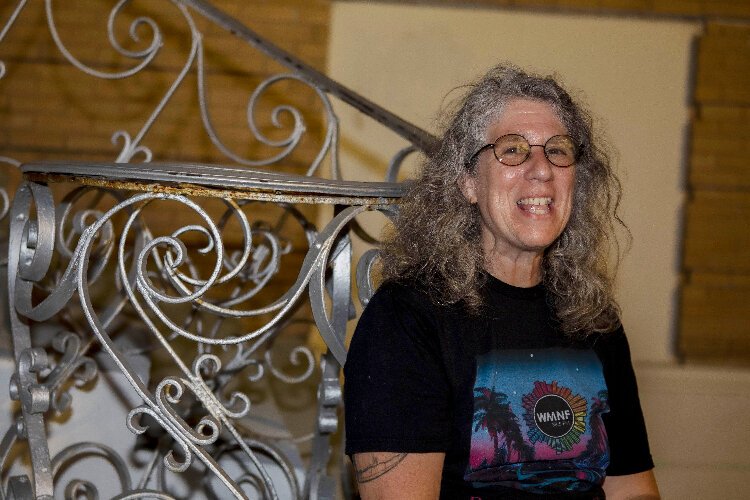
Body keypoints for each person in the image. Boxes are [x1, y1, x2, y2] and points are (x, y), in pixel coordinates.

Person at [343, 64, 659, 499]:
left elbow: (633, 490)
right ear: (468, 181)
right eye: (512, 150)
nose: (542, 169)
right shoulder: (405, 319)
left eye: (558, 150)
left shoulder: (594, 319)